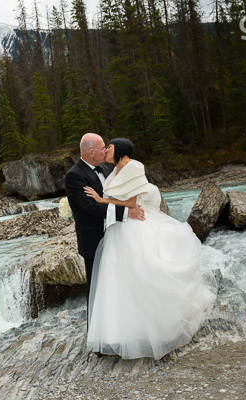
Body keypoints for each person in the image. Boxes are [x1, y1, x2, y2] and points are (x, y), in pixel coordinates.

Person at [84, 138, 216, 360]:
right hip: (119, 229)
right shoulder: (114, 170)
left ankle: (155, 328)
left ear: (121, 150)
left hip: (133, 227)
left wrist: (100, 200)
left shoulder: (133, 167)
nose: (106, 150)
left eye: (110, 147)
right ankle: (122, 332)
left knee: (144, 273)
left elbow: (132, 202)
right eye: (105, 147)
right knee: (119, 279)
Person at [64, 133, 145, 317]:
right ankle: (95, 334)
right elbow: (90, 207)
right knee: (96, 287)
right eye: (102, 148)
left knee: (116, 284)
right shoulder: (74, 176)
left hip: (116, 235)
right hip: (93, 239)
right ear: (91, 152)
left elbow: (112, 198)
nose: (106, 151)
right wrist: (127, 213)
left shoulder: (106, 170)